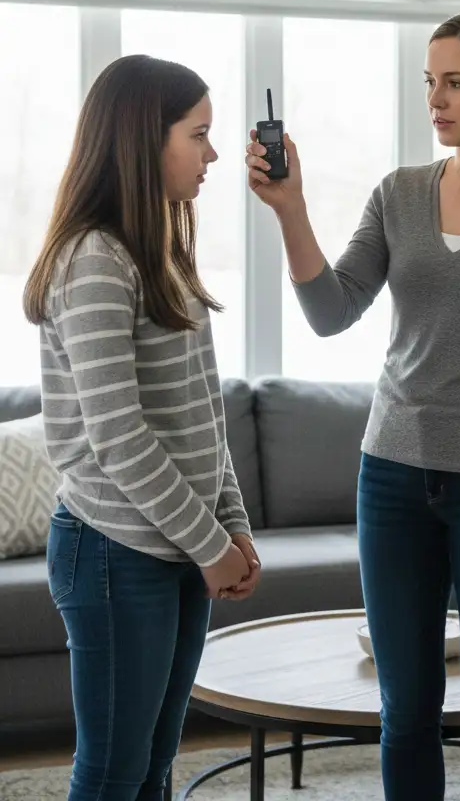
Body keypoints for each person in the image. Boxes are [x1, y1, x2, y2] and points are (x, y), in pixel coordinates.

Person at [245, 7, 460, 801]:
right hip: (392, 478)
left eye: (456, 83)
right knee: (406, 709)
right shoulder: (398, 194)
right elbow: (332, 310)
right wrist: (291, 211)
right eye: (429, 83)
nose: (436, 100)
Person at [23, 55, 260, 801]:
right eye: (199, 135)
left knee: (155, 764)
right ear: (141, 139)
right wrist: (209, 545)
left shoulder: (162, 251)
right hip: (114, 550)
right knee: (113, 773)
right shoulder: (93, 260)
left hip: (174, 547)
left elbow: (201, 411)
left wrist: (232, 527)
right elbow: (118, 437)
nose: (214, 154)